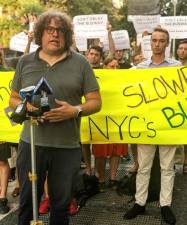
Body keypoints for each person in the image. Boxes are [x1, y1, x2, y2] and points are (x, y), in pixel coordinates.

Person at [9, 10, 101, 225]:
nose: (55, 34)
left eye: (60, 30)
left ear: (67, 35)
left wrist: (75, 110)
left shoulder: (81, 63)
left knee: (60, 206)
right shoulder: (25, 61)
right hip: (31, 144)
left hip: (66, 148)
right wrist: (26, 107)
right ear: (40, 33)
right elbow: (13, 99)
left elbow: (95, 101)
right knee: (27, 204)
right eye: (50, 29)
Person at [124, 27, 181, 225]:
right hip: (146, 124)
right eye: (154, 40)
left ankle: (165, 205)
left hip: (168, 124)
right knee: (143, 166)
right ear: (150, 43)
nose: (157, 43)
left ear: (167, 43)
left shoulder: (177, 68)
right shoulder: (139, 68)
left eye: (161, 40)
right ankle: (140, 203)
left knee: (168, 167)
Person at [92, 56, 128, 192]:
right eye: (112, 66)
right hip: (100, 121)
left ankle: (113, 178)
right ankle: (100, 179)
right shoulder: (96, 81)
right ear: (104, 67)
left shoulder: (122, 81)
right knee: (100, 152)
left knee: (116, 151)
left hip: (118, 120)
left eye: (117, 66)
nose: (115, 69)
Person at [176, 39, 187, 173]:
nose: (183, 51)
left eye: (186, 49)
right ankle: (178, 162)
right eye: (181, 48)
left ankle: (185, 162)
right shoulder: (172, 66)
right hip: (175, 106)